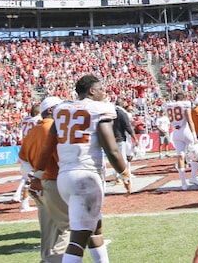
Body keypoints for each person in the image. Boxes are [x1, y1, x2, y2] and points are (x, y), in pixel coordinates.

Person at [52, 74, 131, 263]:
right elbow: (111, 148)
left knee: (95, 229)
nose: (104, 93)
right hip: (85, 177)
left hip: (65, 176)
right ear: (92, 91)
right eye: (101, 89)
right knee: (78, 239)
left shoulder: (63, 108)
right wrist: (125, 174)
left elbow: (51, 139)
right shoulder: (100, 109)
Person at [20, 96, 70, 263]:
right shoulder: (53, 129)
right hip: (53, 181)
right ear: (51, 110)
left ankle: (47, 259)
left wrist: (33, 178)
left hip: (37, 183)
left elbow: (24, 159)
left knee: (48, 231)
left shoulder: (33, 130)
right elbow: (59, 159)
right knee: (71, 227)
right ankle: (57, 260)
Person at [165, 93, 198, 189]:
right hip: (186, 131)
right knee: (196, 153)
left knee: (180, 156)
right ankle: (193, 177)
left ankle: (183, 183)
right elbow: (189, 120)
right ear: (183, 98)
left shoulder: (168, 106)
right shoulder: (185, 104)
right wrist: (194, 136)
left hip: (175, 132)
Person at [13, 103, 42, 211]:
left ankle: (20, 197)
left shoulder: (25, 120)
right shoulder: (38, 120)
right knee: (33, 176)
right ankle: (26, 202)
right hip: (34, 149)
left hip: (25, 148)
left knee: (28, 176)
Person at [111, 99, 136, 185]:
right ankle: (121, 177)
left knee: (115, 158)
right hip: (120, 137)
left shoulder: (111, 112)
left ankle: (119, 176)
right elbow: (128, 127)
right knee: (122, 159)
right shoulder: (122, 113)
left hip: (112, 137)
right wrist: (135, 139)